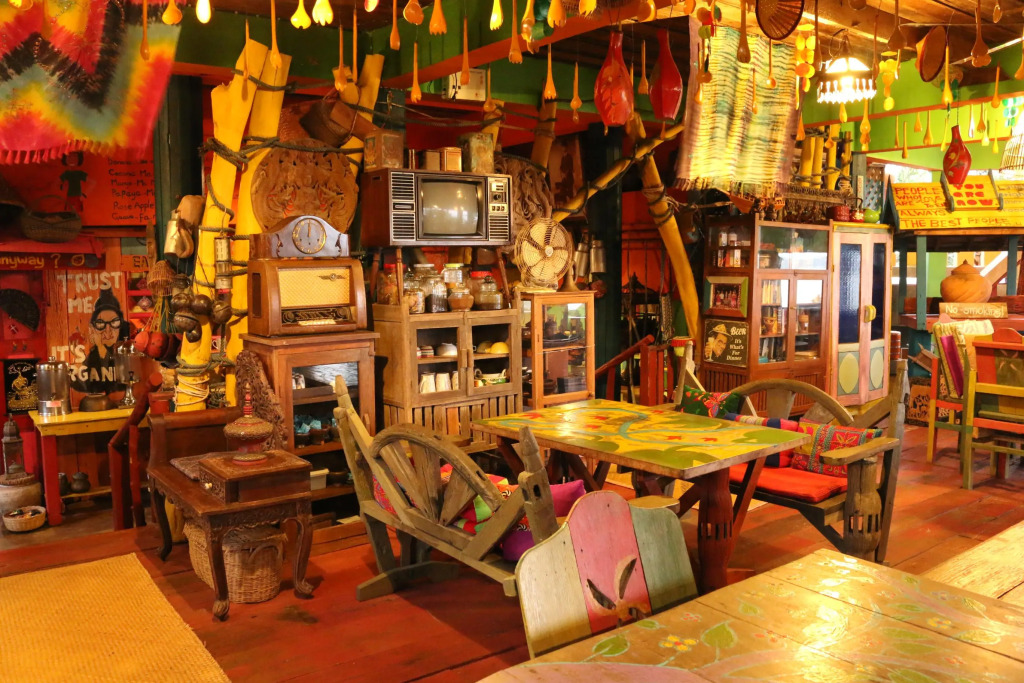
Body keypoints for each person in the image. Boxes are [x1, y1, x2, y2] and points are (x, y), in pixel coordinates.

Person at [73, 286, 125, 394]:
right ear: (93, 329)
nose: (108, 331)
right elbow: (86, 386)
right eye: (101, 324)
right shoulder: (92, 357)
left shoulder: (126, 354)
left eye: (114, 322)